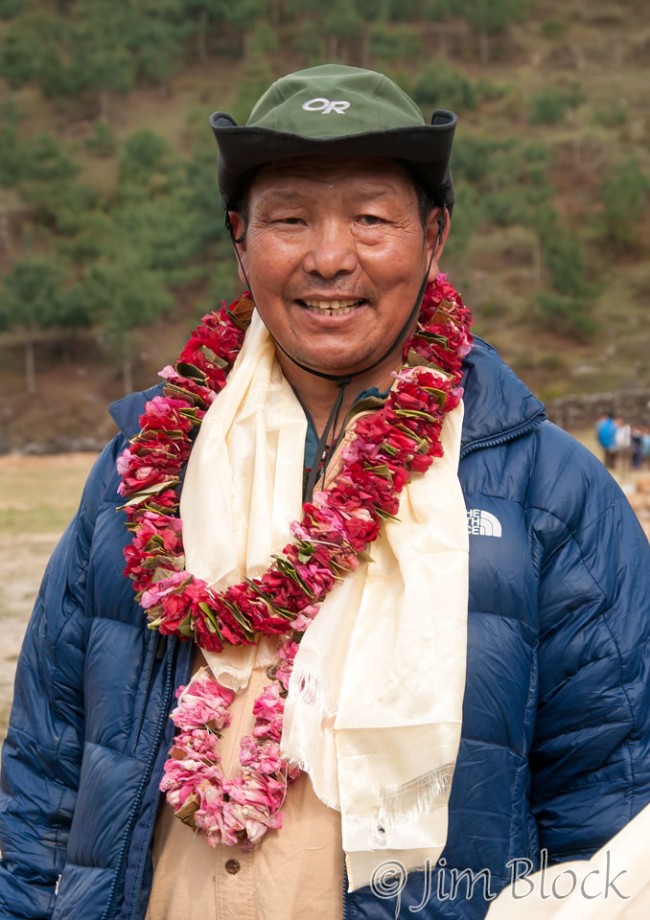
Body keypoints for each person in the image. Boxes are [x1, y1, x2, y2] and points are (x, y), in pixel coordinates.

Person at [1, 64, 649, 920]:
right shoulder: (142, 474)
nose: (330, 256)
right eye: (290, 219)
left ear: (435, 236)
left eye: (372, 218)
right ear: (240, 239)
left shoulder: (547, 494)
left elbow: (610, 816)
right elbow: (44, 780)